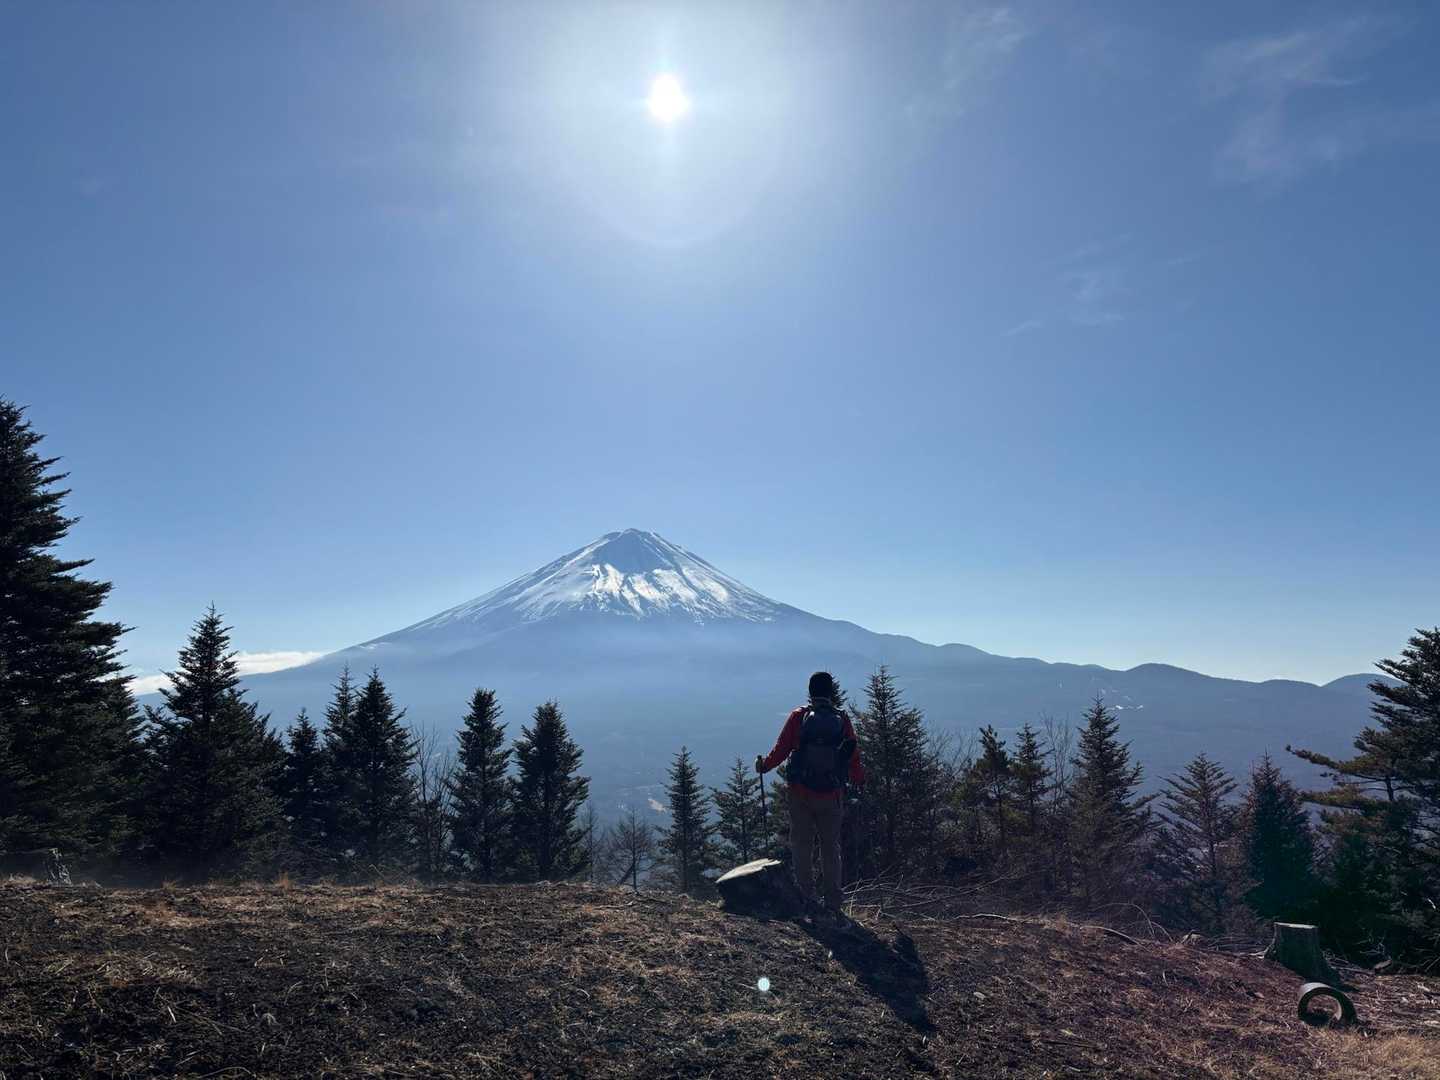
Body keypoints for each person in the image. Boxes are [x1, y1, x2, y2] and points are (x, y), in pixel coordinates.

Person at [756, 670, 864, 920]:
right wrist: (859, 779)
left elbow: (782, 749)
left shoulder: (799, 716)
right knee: (830, 848)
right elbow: (853, 755)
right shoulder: (842, 719)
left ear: (810, 691)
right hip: (832, 794)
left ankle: (807, 897)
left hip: (800, 793)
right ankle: (833, 902)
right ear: (831, 692)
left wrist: (764, 766)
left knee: (802, 845)